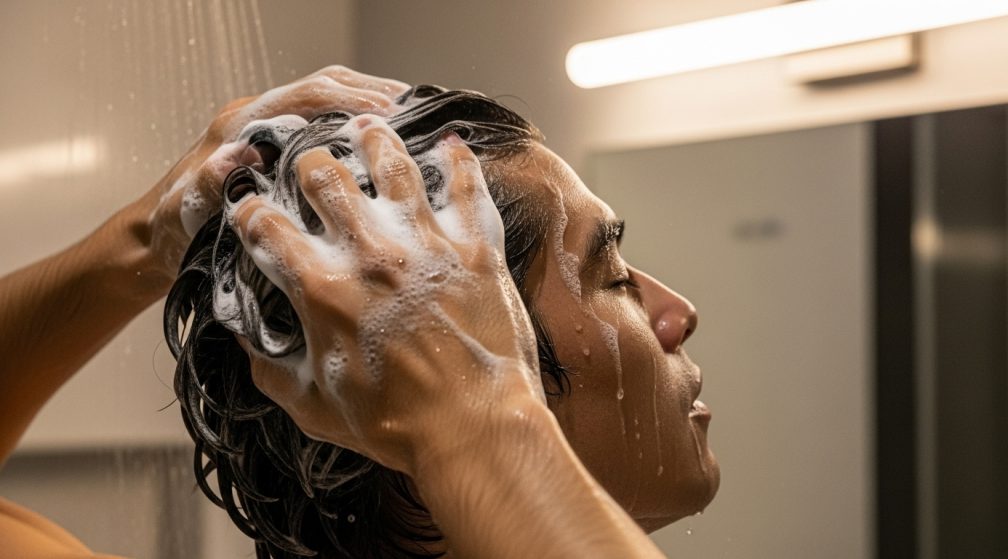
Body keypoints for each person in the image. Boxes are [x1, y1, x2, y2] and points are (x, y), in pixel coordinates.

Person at [0, 66, 717, 559]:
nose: (678, 313)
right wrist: (471, 420)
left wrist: (139, 241)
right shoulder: (467, 419)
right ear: (406, 373)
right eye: (613, 275)